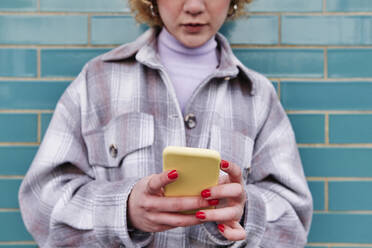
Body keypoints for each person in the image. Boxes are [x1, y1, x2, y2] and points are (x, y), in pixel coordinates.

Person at [19, 0, 313, 247]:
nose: (195, 6)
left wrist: (246, 211)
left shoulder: (257, 95)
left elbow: (293, 218)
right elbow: (40, 201)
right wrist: (123, 211)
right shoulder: (97, 81)